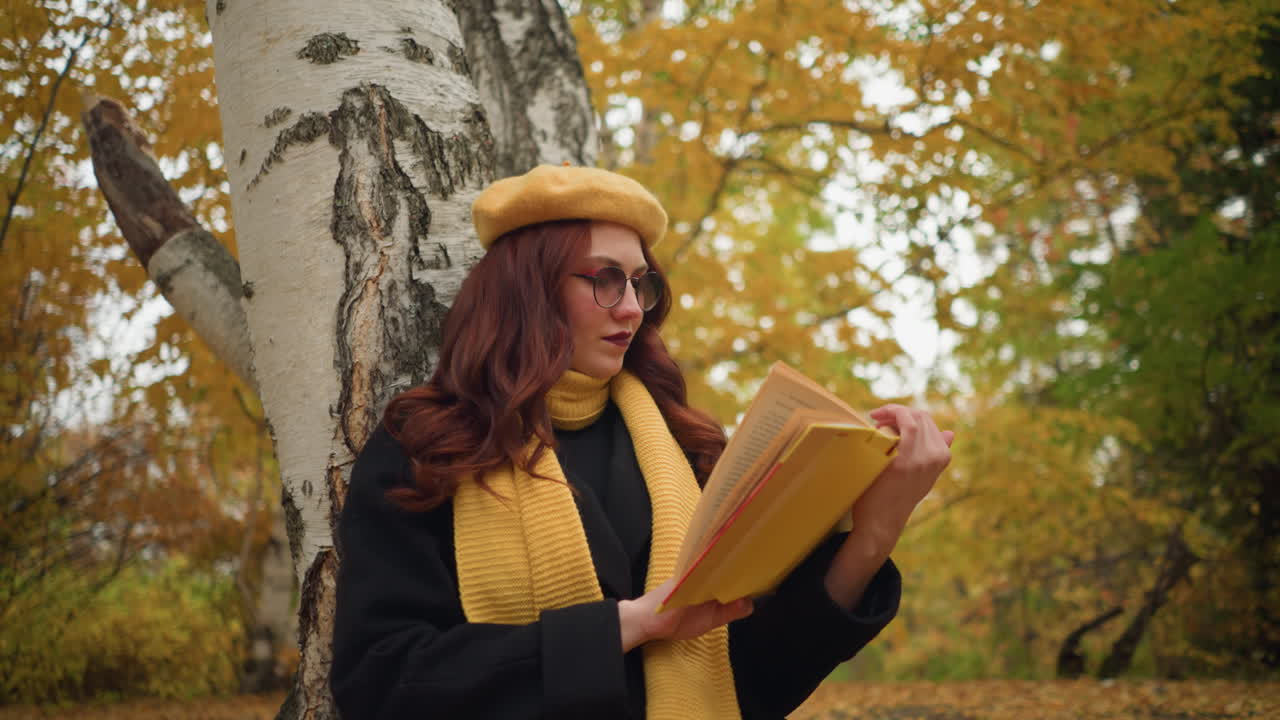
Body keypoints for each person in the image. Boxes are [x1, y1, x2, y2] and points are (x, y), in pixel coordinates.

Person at [329, 165, 953, 719]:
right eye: (605, 280)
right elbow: (381, 682)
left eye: (639, 283)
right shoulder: (429, 448)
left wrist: (876, 531)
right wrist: (626, 627)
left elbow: (754, 684)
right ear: (528, 287)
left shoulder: (688, 448)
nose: (631, 308)